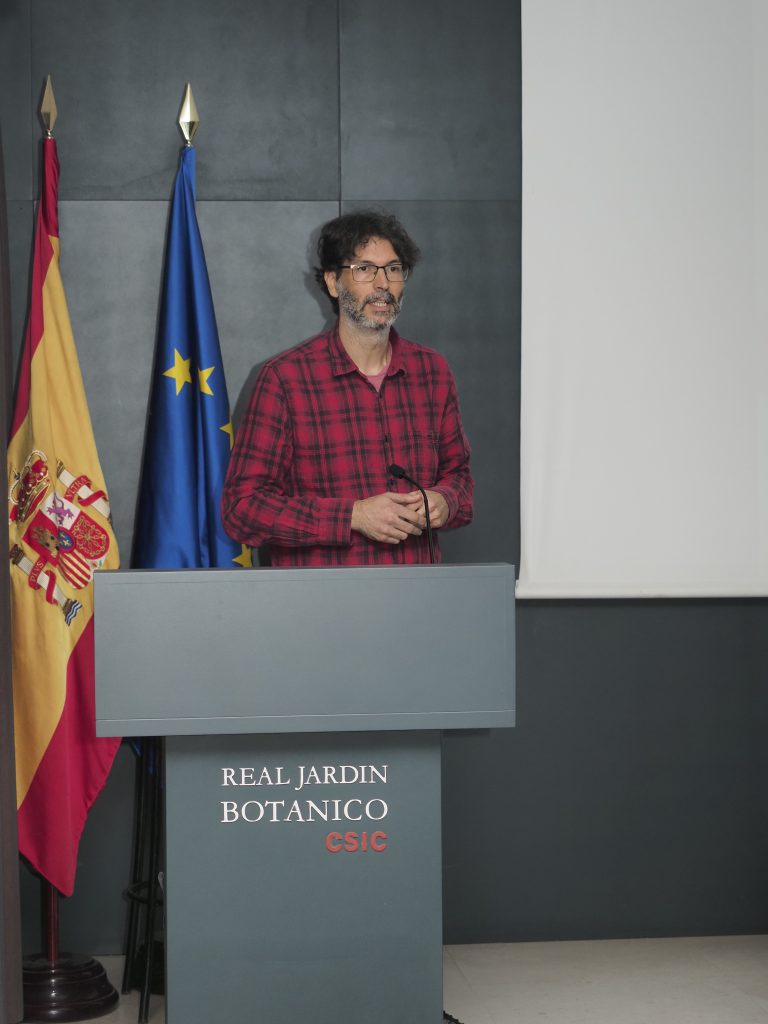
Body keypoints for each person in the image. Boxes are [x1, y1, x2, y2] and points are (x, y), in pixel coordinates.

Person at [221, 210, 473, 566]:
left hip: (417, 593)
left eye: (393, 269)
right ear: (332, 282)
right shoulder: (285, 379)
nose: (382, 283)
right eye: (364, 269)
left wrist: (445, 501)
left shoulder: (432, 372)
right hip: (323, 597)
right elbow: (243, 508)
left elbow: (460, 479)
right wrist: (353, 516)